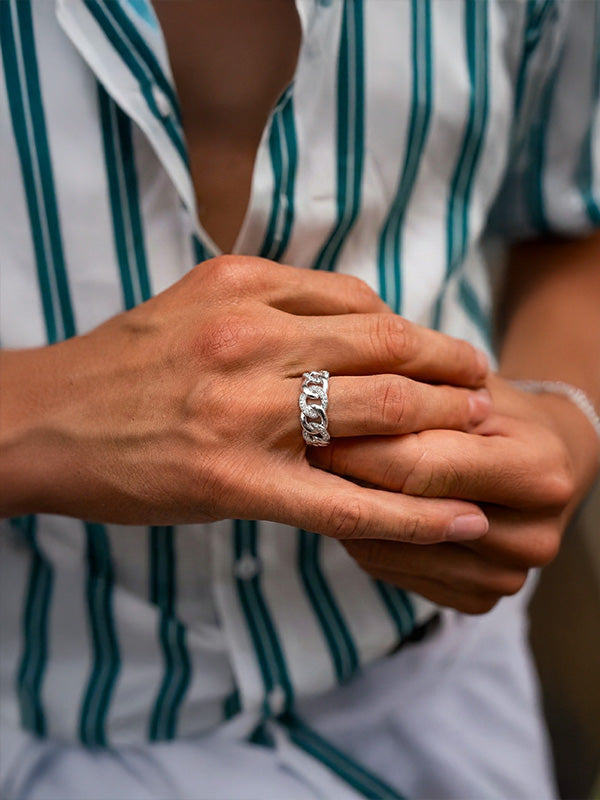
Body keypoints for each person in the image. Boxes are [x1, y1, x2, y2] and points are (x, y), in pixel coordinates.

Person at [1, 0, 599, 797]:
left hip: (448, 697)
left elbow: (571, 207)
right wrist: (36, 416)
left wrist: (565, 415)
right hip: (35, 708)